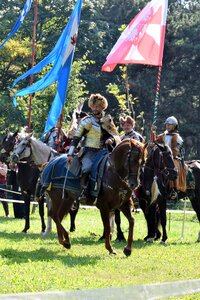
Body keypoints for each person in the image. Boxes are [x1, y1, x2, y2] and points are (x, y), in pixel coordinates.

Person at [67, 93, 118, 203]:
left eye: (98, 106)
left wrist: (111, 140)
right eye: (93, 106)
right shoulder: (87, 120)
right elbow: (76, 138)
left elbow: (115, 135)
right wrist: (70, 154)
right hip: (89, 151)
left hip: (104, 151)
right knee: (87, 168)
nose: (95, 108)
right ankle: (84, 191)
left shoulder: (107, 120)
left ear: (102, 107)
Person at [156, 116, 187, 199]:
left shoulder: (177, 137)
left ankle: (174, 189)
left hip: (173, 158)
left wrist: (169, 156)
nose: (167, 126)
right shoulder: (162, 135)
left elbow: (176, 150)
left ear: (174, 126)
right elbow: (155, 144)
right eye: (167, 124)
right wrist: (153, 134)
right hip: (161, 157)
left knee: (173, 168)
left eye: (170, 124)